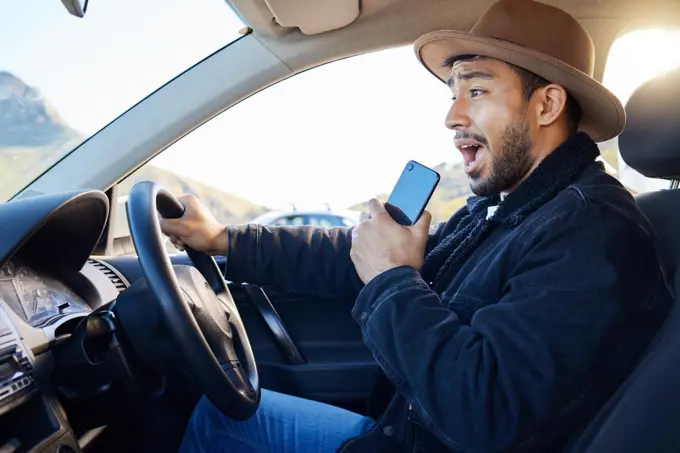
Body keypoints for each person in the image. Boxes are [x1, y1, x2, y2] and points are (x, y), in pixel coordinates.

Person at [161, 0, 672, 451]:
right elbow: (355, 254)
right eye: (452, 93)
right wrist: (225, 239)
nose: (452, 115)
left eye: (475, 91)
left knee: (218, 425)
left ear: (546, 105)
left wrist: (391, 280)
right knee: (218, 411)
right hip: (398, 435)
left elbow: (485, 413)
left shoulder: (592, 230)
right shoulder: (505, 209)